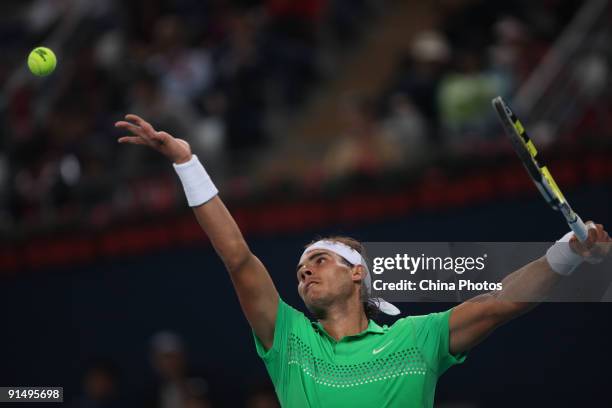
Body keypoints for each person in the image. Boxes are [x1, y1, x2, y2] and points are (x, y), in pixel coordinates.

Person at [115, 114, 610, 407]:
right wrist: (187, 162)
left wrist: (567, 252)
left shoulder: (418, 337)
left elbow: (503, 301)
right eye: (301, 268)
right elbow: (239, 258)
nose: (304, 271)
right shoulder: (287, 340)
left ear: (357, 273)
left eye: (320, 260)